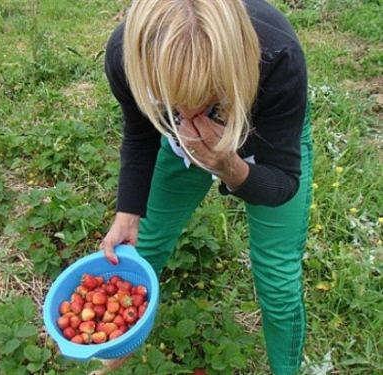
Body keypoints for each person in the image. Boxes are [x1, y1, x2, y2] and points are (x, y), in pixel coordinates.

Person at [96, 0, 313, 374]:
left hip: (264, 148)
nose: (187, 114)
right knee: (139, 247)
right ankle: (109, 356)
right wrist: (127, 213)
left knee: (277, 279)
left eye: (206, 98)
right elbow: (140, 133)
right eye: (172, 102)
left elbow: (283, 183)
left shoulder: (277, 57)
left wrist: (229, 166)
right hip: (179, 147)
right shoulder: (125, 53)